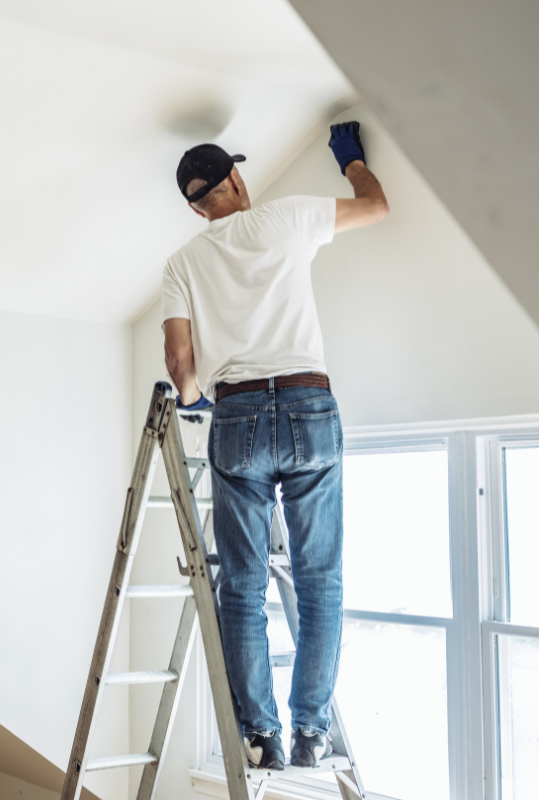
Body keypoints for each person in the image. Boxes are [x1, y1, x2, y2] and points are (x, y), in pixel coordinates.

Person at [161, 123, 388, 770]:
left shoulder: (181, 263)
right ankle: (311, 731)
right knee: (319, 581)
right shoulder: (285, 218)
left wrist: (197, 400)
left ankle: (261, 736)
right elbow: (376, 207)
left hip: (235, 416)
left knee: (242, 585)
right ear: (236, 180)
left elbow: (179, 364)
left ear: (195, 207)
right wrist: (351, 161)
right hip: (307, 404)